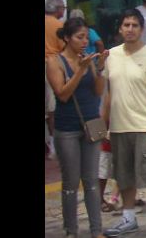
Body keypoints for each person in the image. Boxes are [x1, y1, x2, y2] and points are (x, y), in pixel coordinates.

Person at [102, 9, 146, 238]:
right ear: (120, 29)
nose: (130, 29)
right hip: (119, 128)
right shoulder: (110, 55)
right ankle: (128, 218)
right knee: (123, 177)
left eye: (134, 25)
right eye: (126, 25)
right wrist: (104, 126)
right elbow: (109, 93)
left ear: (142, 29)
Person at [46, 17, 109, 238]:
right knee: (71, 182)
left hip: (91, 122)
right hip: (68, 127)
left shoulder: (88, 59)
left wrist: (99, 69)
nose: (84, 42)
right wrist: (80, 71)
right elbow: (62, 94)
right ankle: (71, 230)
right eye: (79, 37)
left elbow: (98, 91)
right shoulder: (55, 61)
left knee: (92, 181)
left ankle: (96, 230)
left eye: (86, 37)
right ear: (66, 38)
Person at [46, 0, 67, 160]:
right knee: (52, 107)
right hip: (51, 66)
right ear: (58, 8)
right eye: (63, 8)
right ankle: (54, 147)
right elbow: (64, 48)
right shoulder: (58, 26)